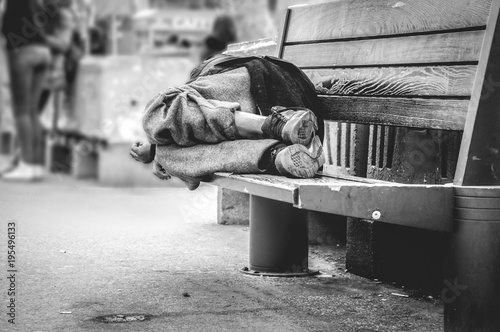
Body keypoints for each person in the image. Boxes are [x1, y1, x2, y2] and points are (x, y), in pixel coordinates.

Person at [130, 55, 326, 190]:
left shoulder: (206, 77)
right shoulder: (204, 84)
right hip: (280, 102)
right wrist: (157, 150)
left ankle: (274, 129)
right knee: (162, 135)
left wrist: (157, 148)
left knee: (157, 113)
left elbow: (175, 118)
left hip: (270, 84)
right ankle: (279, 151)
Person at [1, 0, 74, 181]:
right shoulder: (36, 3)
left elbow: (5, 28)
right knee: (32, 112)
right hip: (43, 53)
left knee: (21, 112)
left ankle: (27, 164)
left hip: (23, 52)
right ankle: (35, 167)